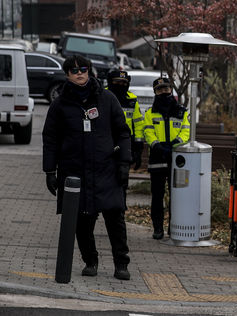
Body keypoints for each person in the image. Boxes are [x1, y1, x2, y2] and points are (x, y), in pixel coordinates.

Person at [42, 55, 132, 280]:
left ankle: (122, 264)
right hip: (75, 172)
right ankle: (90, 261)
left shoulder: (107, 99)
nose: (79, 73)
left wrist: (124, 163)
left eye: (83, 69)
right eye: (74, 71)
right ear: (67, 75)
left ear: (90, 71)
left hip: (106, 170)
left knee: (115, 219)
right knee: (81, 222)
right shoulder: (60, 104)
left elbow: (123, 132)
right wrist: (50, 171)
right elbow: (50, 139)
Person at [143, 78, 190, 239]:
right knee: (157, 195)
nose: (164, 92)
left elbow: (185, 130)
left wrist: (175, 144)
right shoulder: (150, 113)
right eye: (160, 89)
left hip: (176, 159)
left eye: (166, 89)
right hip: (157, 157)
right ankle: (158, 228)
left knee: (176, 195)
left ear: (171, 90)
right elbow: (148, 132)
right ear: (155, 92)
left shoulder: (182, 111)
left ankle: (173, 227)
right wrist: (157, 146)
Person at [106, 70, 144, 169]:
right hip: (104, 140)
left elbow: (138, 125)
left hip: (126, 142)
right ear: (110, 81)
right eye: (117, 82)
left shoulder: (132, 100)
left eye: (124, 83)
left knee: (122, 177)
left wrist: (138, 148)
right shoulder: (101, 96)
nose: (120, 85)